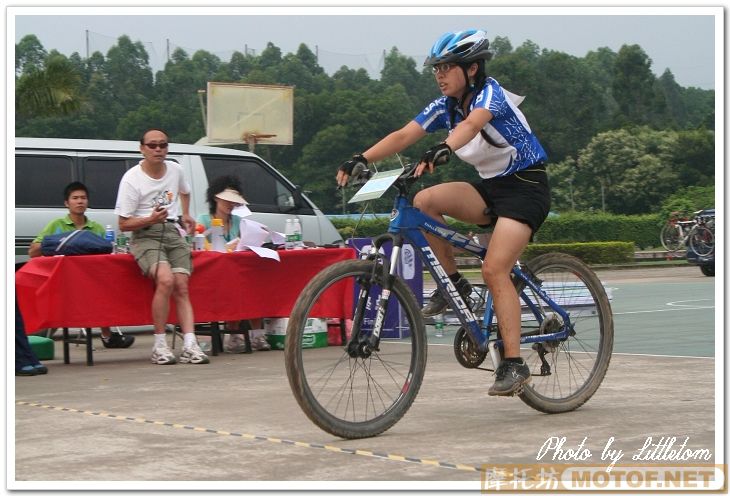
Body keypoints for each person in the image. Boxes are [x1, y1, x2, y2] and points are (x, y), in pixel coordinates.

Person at [336, 30, 550, 396]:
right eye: (436, 68)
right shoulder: (445, 105)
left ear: (472, 69)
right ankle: (458, 287)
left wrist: (444, 148)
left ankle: (514, 364)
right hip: (491, 188)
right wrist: (362, 157)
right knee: (425, 202)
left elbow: (471, 126)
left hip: (526, 190)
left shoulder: (490, 94)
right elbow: (404, 134)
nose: (439, 75)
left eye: (447, 67)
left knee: (495, 268)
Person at [115, 128, 209, 365]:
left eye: (163, 145)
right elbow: (123, 224)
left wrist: (186, 214)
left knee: (181, 285)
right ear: (142, 149)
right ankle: (159, 344)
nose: (158, 150)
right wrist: (149, 219)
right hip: (145, 234)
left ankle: (190, 343)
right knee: (165, 279)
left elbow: (185, 191)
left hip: (172, 230)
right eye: (153, 145)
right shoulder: (132, 178)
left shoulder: (175, 169)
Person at [28, 181, 135, 349]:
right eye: (75, 198)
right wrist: (61, 243)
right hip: (63, 281)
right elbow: (33, 252)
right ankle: (35, 337)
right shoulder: (56, 225)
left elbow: (109, 255)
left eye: (83, 198)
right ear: (66, 203)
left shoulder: (97, 228)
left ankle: (107, 336)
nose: (80, 201)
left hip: (91, 280)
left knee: (105, 288)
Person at [196, 175, 270, 352]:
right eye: (226, 200)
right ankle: (235, 335)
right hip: (213, 273)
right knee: (233, 288)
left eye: (233, 201)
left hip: (237, 270)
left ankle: (257, 334)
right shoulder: (204, 220)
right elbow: (199, 245)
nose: (230, 204)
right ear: (215, 197)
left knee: (255, 284)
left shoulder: (238, 221)